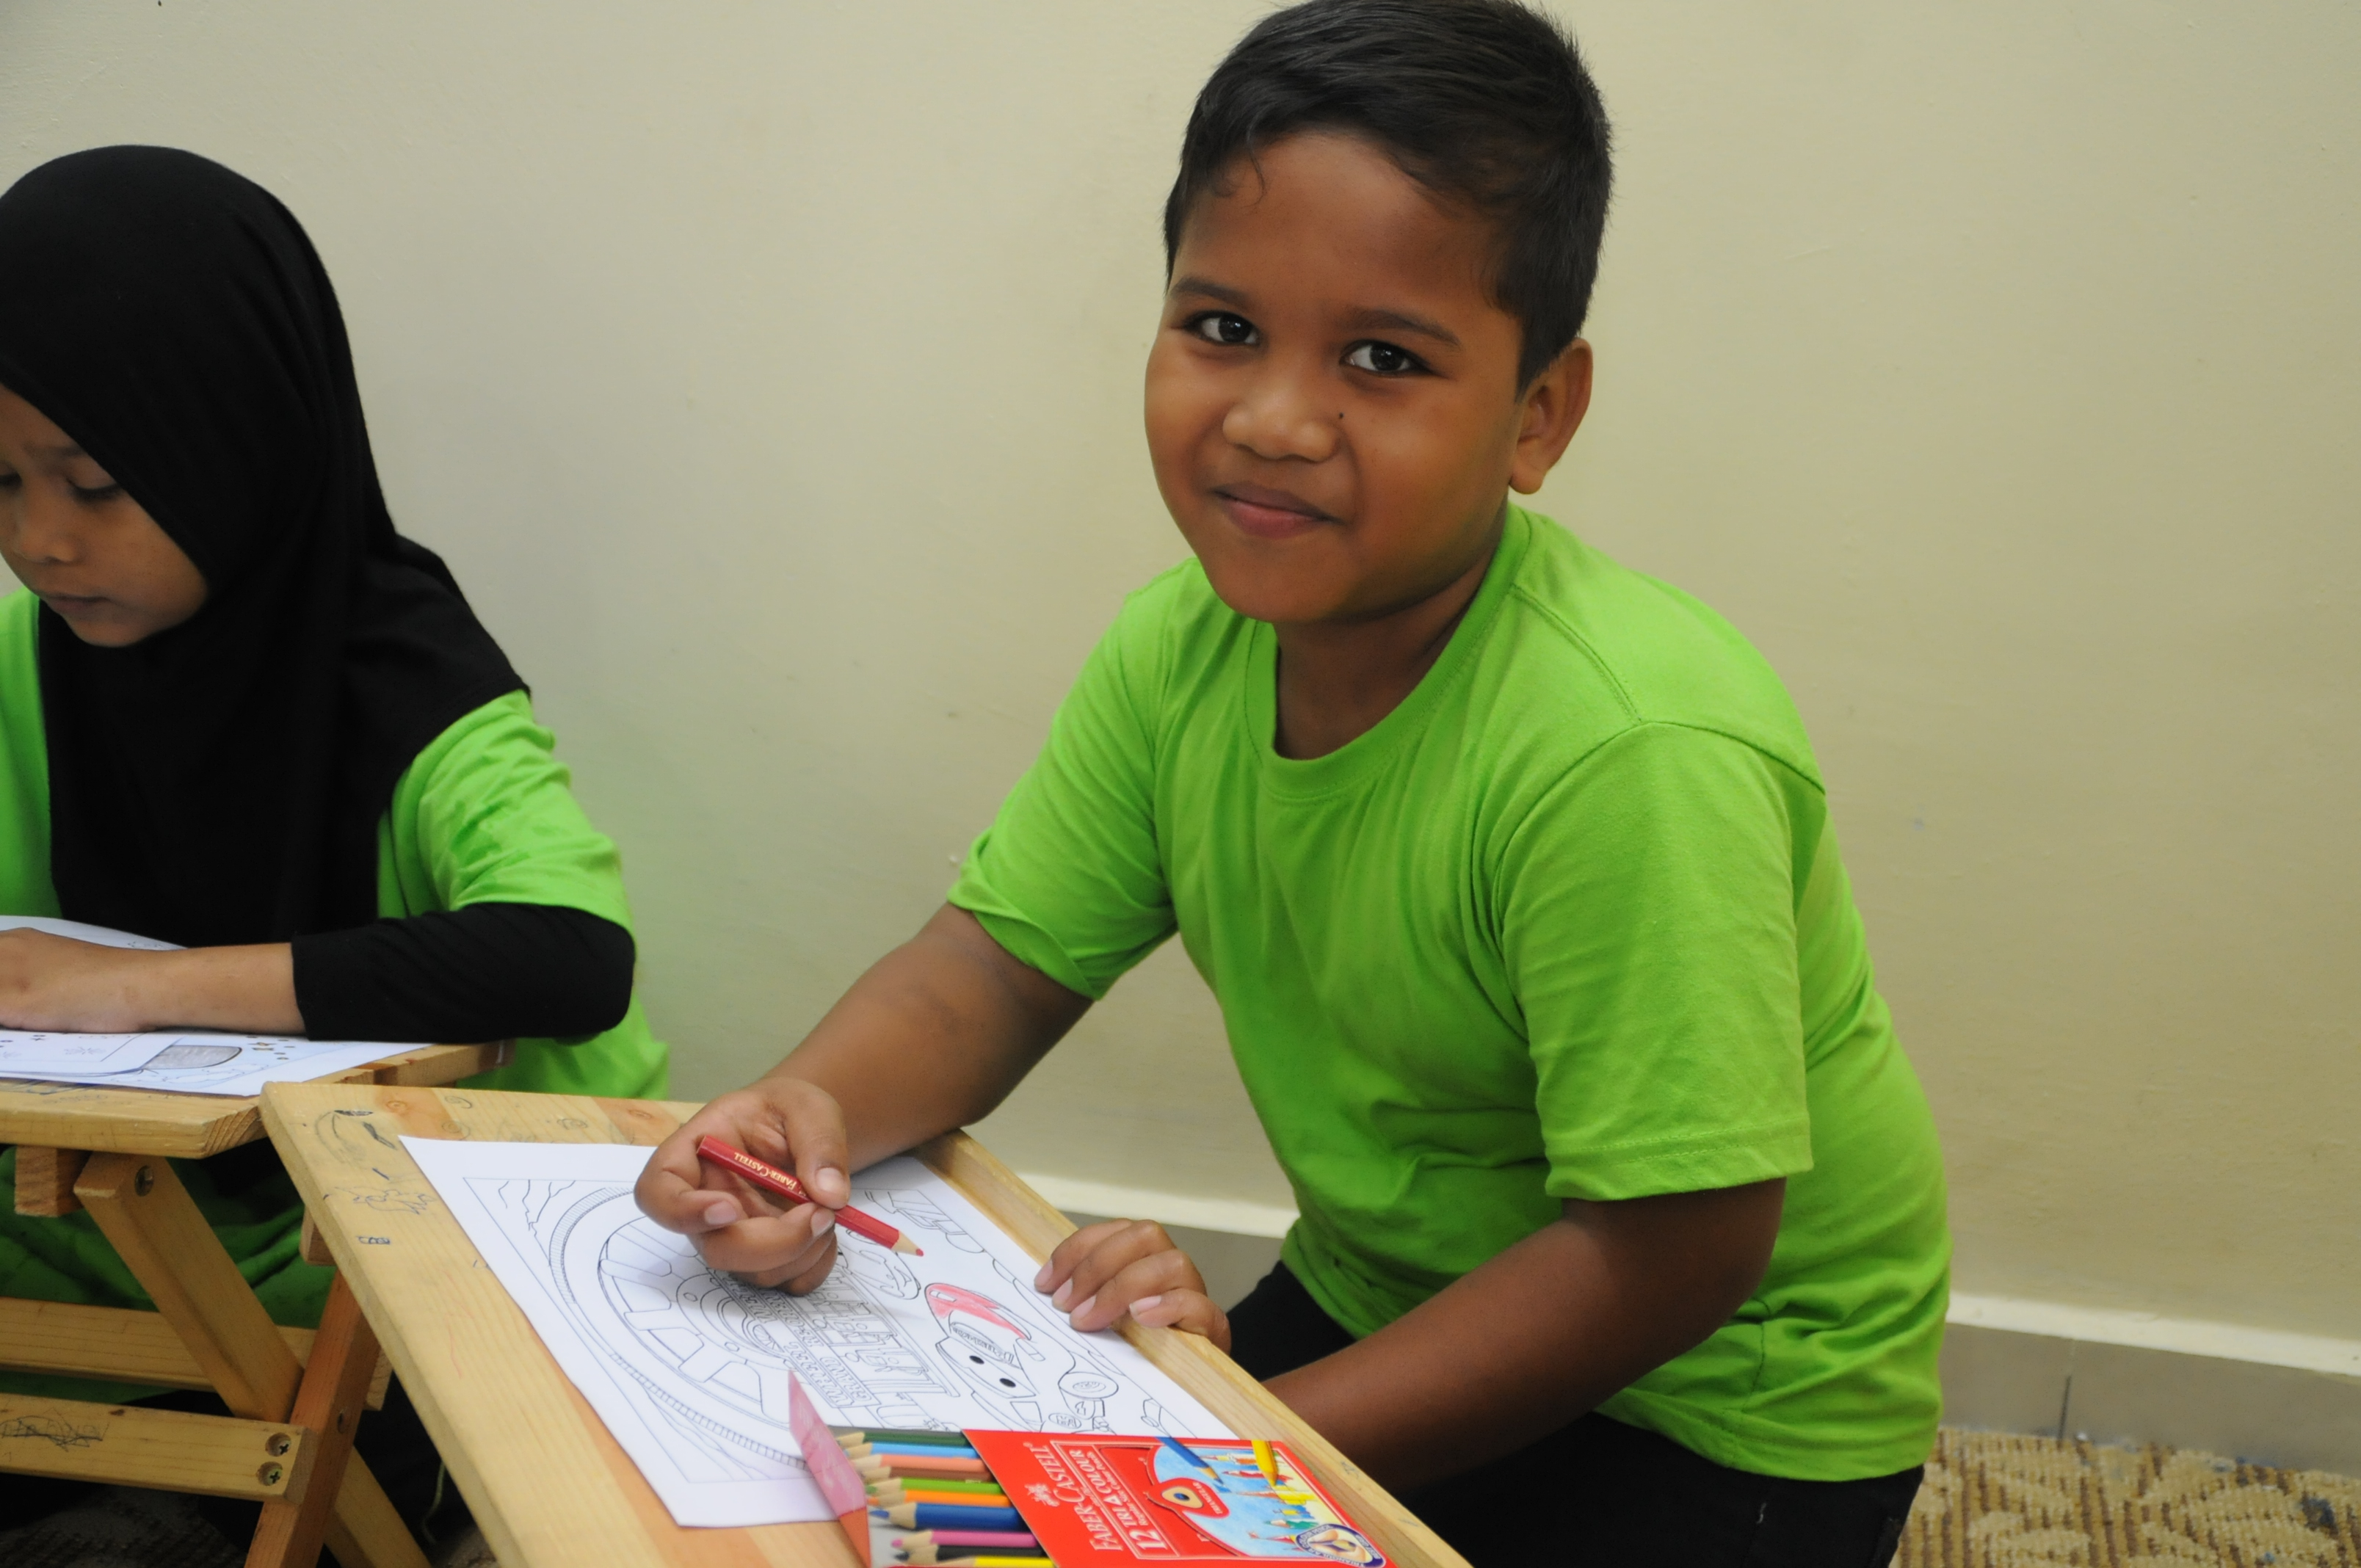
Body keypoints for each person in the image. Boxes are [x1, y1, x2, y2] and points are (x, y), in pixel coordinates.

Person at [636, 3, 1947, 1563]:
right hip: (1392, 1284)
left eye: (1383, 359)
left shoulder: (1632, 748)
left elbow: (1675, 1256)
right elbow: (989, 971)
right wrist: (803, 1117)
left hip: (1723, 1400)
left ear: (1539, 415)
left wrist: (1233, 1447)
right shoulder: (1176, 649)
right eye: (1222, 328)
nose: (1271, 421)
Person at [0, 145, 667, 1541]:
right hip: (107, 1247)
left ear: (233, 443)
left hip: (402, 1267)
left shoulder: (404, 676)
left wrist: (133, 987)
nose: (42, 542)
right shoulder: (28, 655)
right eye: (1, 483)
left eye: (96, 483)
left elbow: (570, 955)